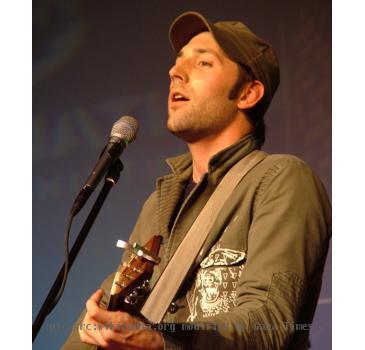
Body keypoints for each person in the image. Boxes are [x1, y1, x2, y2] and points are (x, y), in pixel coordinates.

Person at [62, 11, 331, 350]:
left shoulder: (281, 180)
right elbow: (101, 317)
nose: (175, 72)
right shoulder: (159, 204)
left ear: (248, 94)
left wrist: (159, 342)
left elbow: (268, 323)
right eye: (177, 62)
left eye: (203, 63)